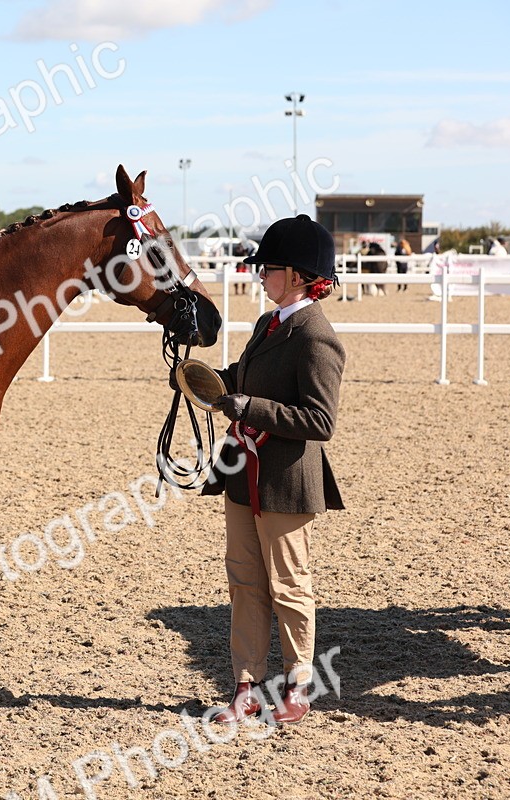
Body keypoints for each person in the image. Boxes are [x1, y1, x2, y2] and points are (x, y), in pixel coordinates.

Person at [196, 214, 346, 726]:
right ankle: (246, 685)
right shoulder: (268, 324)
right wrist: (204, 382)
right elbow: (241, 378)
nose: (260, 275)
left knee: (288, 584)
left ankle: (298, 684)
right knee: (243, 581)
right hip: (242, 476)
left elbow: (320, 420)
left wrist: (249, 409)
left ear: (299, 275)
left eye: (269, 269)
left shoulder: (316, 336)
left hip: (284, 480)